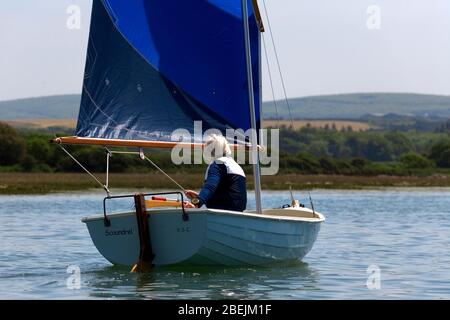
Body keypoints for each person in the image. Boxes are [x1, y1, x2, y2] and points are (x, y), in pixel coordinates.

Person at [184, 134, 247, 212]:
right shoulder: (236, 165)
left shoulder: (217, 164)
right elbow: (228, 193)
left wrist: (196, 202)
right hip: (238, 214)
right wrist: (199, 196)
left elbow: (210, 187)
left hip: (222, 214)